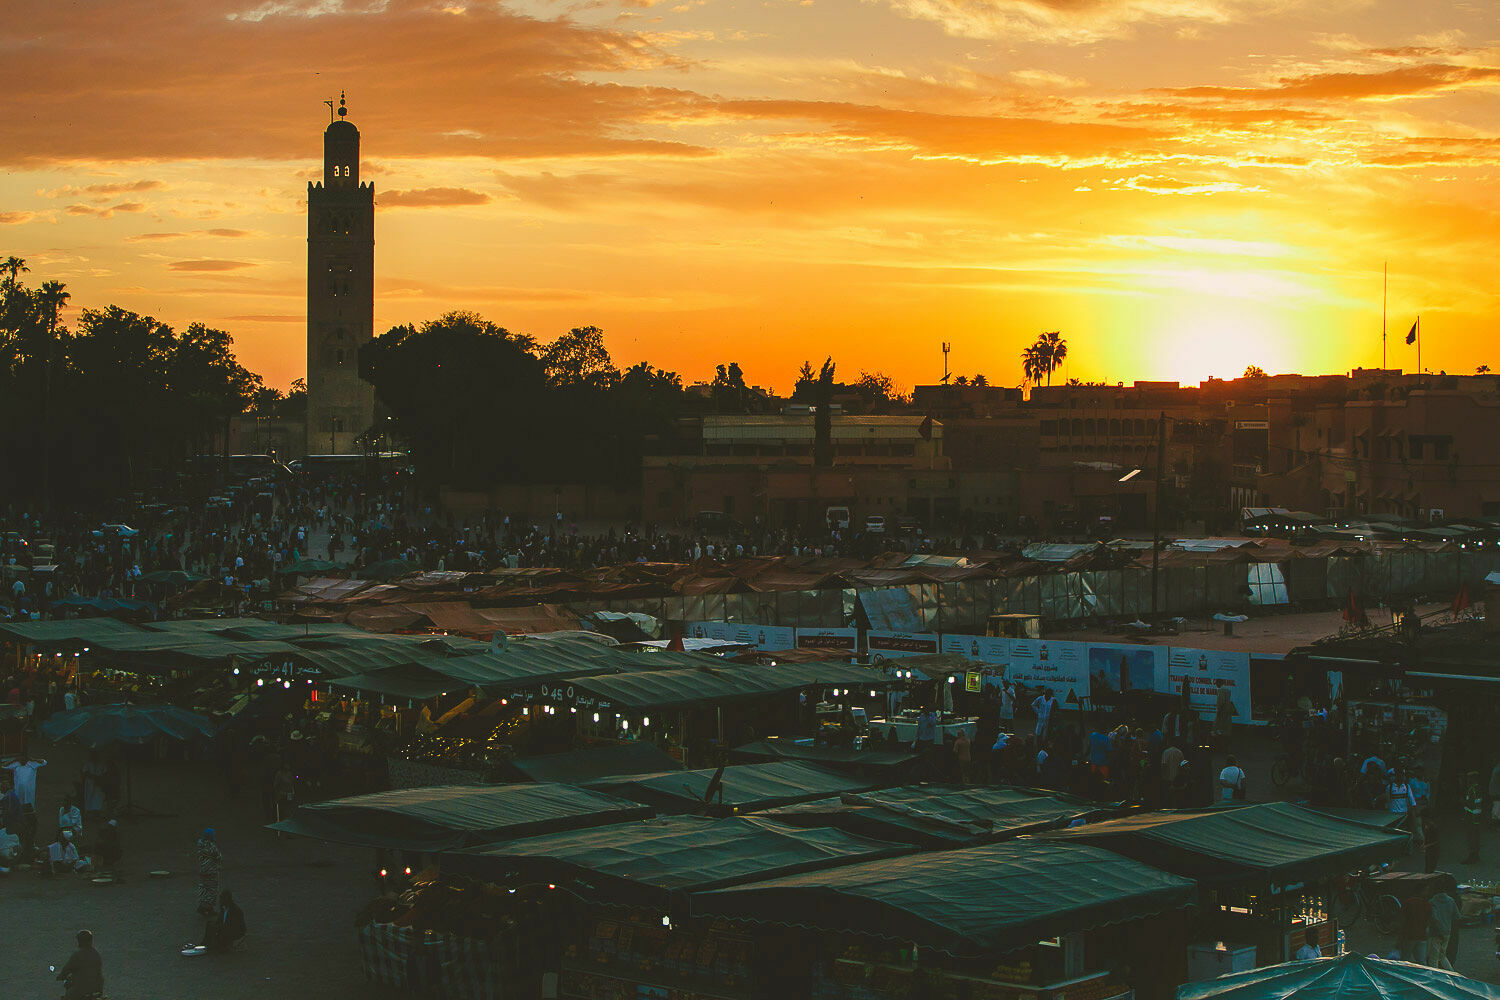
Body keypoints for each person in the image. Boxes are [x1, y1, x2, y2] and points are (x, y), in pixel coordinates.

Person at [55, 929, 104, 1000]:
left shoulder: (78, 955)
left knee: (67, 997)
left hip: (82, 989)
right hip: (97, 988)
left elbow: (67, 968)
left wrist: (61, 976)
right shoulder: (95, 954)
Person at [1427, 887, 1458, 971]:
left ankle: (1435, 976)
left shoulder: (1432, 902)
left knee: (1433, 957)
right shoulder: (1451, 901)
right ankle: (1452, 973)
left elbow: (1434, 918)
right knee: (1442, 955)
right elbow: (1456, 916)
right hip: (1447, 931)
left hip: (1436, 932)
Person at [196, 828, 223, 916]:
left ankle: (203, 906)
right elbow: (218, 856)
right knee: (212, 890)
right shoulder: (211, 846)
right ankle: (208, 907)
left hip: (203, 870)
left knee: (204, 888)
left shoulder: (200, 844)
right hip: (211, 870)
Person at [1397, 893, 1430, 964]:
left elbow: (1403, 920)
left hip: (1409, 934)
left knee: (1405, 958)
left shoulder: (1408, 902)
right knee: (1421, 960)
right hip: (1422, 935)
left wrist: (1400, 937)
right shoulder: (1426, 903)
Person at [1463, 771, 1483, 863]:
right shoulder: (1478, 788)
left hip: (1471, 816)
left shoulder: (1472, 789)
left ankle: (1472, 856)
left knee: (1471, 836)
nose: (1467, 780)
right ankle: (1476, 855)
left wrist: (1464, 802)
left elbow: (1471, 803)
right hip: (1477, 816)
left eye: (1469, 778)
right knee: (1476, 836)